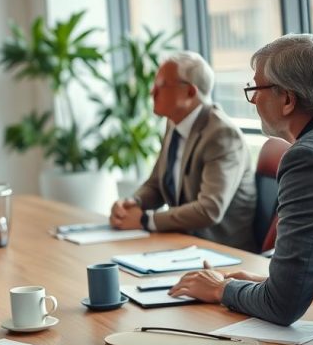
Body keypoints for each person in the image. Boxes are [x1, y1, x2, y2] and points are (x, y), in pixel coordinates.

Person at [170, 33, 313, 345]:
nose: (252, 98)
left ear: (288, 99)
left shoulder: (311, 158)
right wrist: (267, 281)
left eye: (255, 87)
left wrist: (224, 290)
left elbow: (282, 305)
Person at [110, 51, 257, 252]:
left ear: (189, 92)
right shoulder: (174, 124)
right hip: (181, 244)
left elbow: (209, 209)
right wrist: (132, 203)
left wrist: (145, 220)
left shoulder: (221, 134)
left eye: (161, 85)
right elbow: (156, 185)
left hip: (220, 252)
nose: (152, 92)